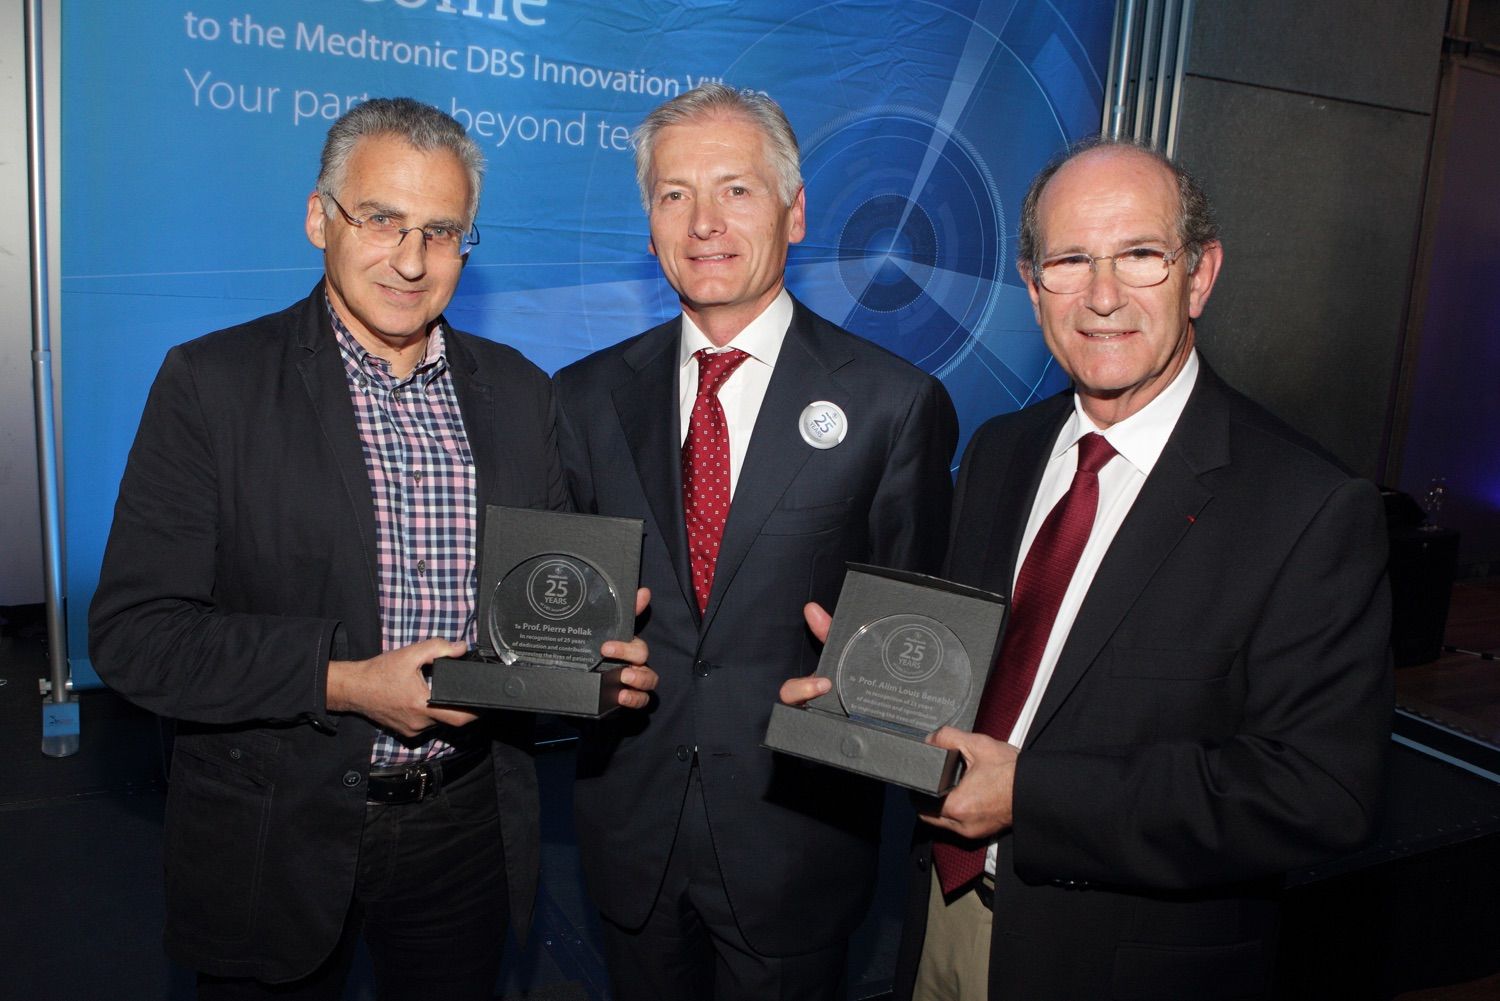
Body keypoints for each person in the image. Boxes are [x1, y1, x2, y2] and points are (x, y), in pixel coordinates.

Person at [784, 137, 1393, 999]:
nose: (1103, 297)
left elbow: (1319, 791)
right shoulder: (1002, 451)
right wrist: (867, 690)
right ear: (1034, 289)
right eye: (1071, 260)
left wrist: (1032, 795)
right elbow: (987, 679)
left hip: (1122, 963)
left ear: (1200, 274)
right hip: (938, 922)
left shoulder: (1307, 506)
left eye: (1141, 255)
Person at [88, 97, 656, 1000]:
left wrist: (596, 667)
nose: (410, 258)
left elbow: (539, 615)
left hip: (466, 826)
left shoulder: (517, 392)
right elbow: (134, 635)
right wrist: (346, 682)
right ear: (320, 217)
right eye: (381, 218)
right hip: (276, 828)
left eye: (441, 230)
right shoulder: (212, 383)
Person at [552, 83, 958, 1001]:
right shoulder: (579, 398)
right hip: (632, 842)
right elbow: (558, 617)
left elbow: (921, 653)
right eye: (673, 194)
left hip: (796, 849)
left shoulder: (895, 405)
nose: (703, 222)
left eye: (735, 189)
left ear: (795, 209)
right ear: (648, 219)